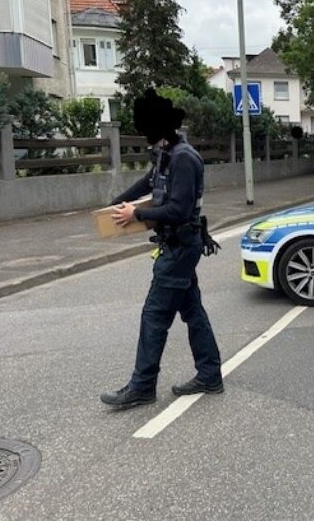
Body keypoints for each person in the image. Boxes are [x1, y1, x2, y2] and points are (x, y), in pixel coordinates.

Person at [100, 89, 223, 409]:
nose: (147, 139)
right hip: (179, 245)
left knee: (154, 315)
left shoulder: (184, 158)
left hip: (180, 246)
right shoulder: (167, 155)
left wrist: (136, 214)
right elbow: (147, 183)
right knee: (193, 311)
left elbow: (178, 210)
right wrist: (115, 207)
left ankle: (142, 386)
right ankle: (209, 374)